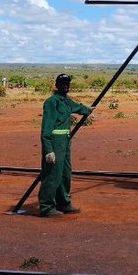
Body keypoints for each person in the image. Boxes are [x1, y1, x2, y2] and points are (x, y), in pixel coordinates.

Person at [38, 73, 93, 217]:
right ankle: (46, 207)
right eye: (62, 83)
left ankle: (63, 203)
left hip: (66, 141)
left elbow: (77, 107)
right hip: (55, 142)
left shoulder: (66, 100)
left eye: (67, 83)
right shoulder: (52, 102)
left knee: (64, 174)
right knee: (52, 175)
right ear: (57, 85)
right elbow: (46, 128)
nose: (65, 85)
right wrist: (49, 150)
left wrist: (87, 110)